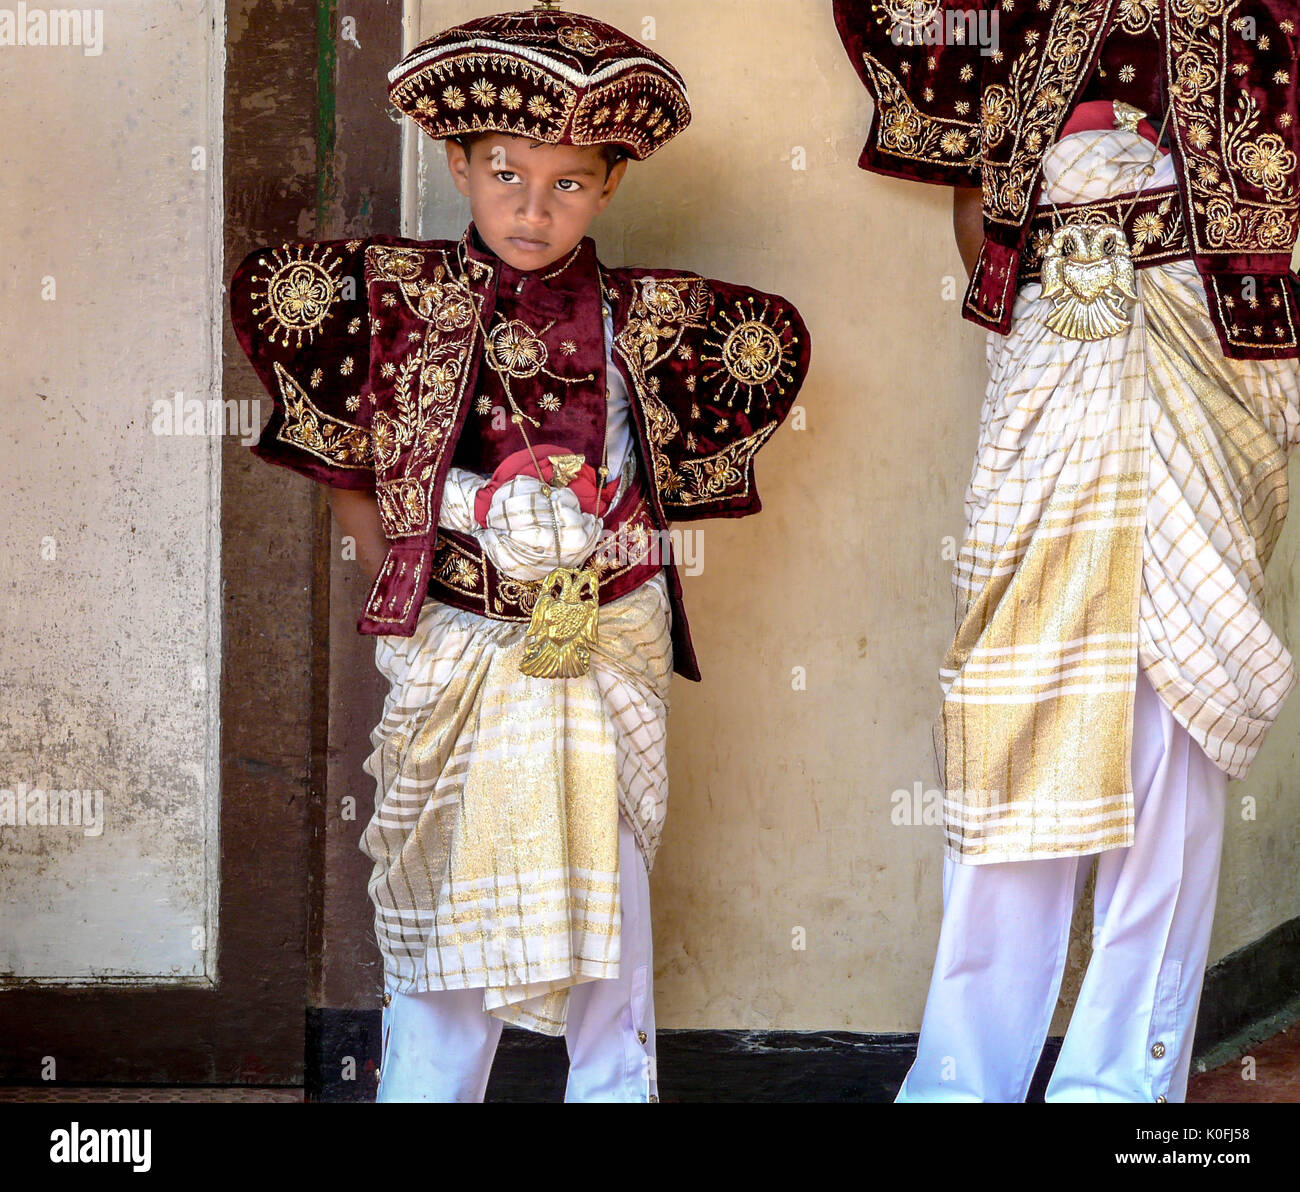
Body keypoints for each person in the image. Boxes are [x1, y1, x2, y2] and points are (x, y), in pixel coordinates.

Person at [230, 3, 811, 1103]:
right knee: (456, 900)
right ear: (455, 162)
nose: (533, 208)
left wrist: (599, 564)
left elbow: (664, 475)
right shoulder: (393, 307)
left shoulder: (645, 321)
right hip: (462, 650)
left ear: (611, 184)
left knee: (610, 903)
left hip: (598, 651)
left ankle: (610, 1086)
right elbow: (351, 469)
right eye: (505, 173)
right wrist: (409, 587)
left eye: (569, 183)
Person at [833, 0, 1299, 1101]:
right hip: (1054, 351)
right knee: (1017, 721)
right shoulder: (997, 8)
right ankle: (961, 1080)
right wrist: (1051, 312)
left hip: (1211, 357)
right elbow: (972, 198)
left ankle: (1121, 1091)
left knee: (1168, 729)